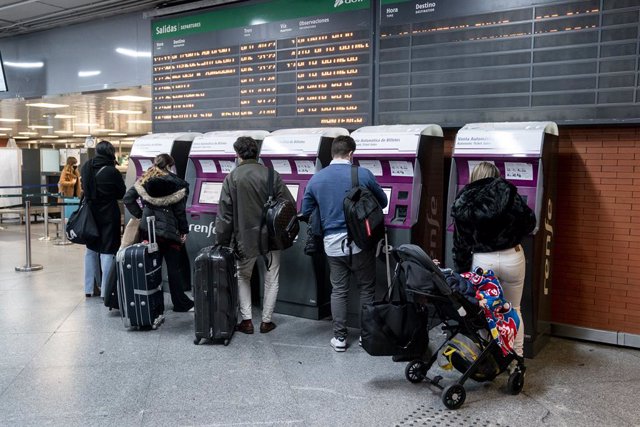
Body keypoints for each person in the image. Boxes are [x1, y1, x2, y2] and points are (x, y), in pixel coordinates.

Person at [301, 135, 388, 352]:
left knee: (338, 290)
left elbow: (306, 210)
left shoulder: (316, 179)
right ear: (351, 154)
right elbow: (383, 201)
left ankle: (339, 338)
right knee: (367, 288)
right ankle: (364, 337)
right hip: (360, 242)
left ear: (332, 153)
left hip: (332, 243)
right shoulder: (362, 174)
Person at [450, 161, 536, 357]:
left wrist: (461, 272)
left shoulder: (464, 200)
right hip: (512, 257)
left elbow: (460, 243)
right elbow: (529, 223)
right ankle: (517, 359)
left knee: (485, 311)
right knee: (514, 308)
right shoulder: (508, 193)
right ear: (496, 175)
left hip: (482, 262)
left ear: (474, 176)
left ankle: (488, 358)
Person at [215, 136, 294, 334]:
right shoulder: (271, 175)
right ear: (257, 153)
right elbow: (289, 204)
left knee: (243, 276)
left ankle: (247, 320)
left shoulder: (232, 177)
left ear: (237, 154)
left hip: (245, 237)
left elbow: (225, 215)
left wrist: (222, 241)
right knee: (272, 277)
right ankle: (266, 321)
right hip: (272, 237)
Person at [123, 153, 194, 312]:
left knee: (151, 267)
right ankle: (180, 303)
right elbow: (179, 211)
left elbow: (128, 199)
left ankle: (152, 303)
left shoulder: (144, 180)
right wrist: (183, 230)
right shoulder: (178, 184)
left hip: (148, 231)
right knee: (173, 268)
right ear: (170, 166)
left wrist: (141, 215)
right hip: (170, 233)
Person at [80, 140, 126, 298]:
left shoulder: (86, 166)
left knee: (91, 249)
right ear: (110, 152)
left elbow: (84, 188)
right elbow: (122, 193)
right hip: (108, 213)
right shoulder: (112, 171)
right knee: (107, 251)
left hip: (90, 214)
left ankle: (89, 289)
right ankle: (106, 290)